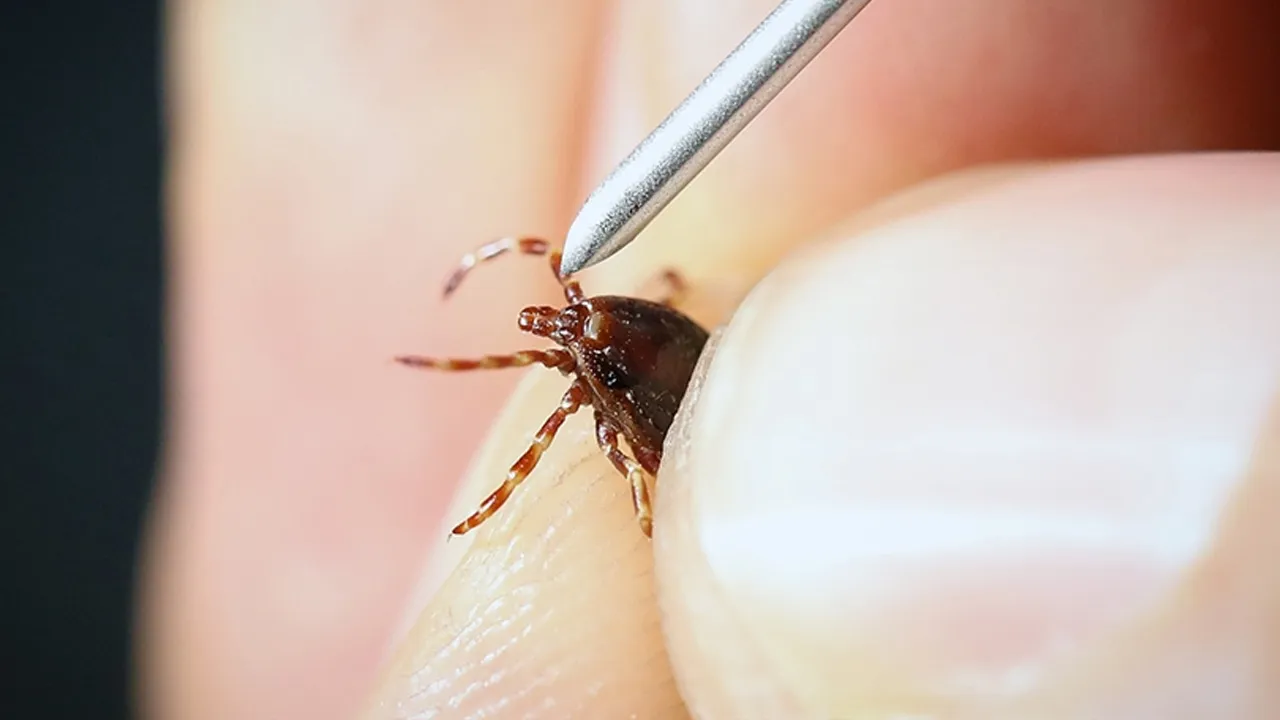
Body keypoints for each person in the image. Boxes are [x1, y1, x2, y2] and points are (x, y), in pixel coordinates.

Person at [140, 1, 1280, 718]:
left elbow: (549, 429)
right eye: (550, 316)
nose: (551, 323)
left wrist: (520, 489)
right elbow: (592, 373)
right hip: (678, 370)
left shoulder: (598, 363)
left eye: (548, 306)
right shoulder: (607, 332)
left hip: (678, 388)